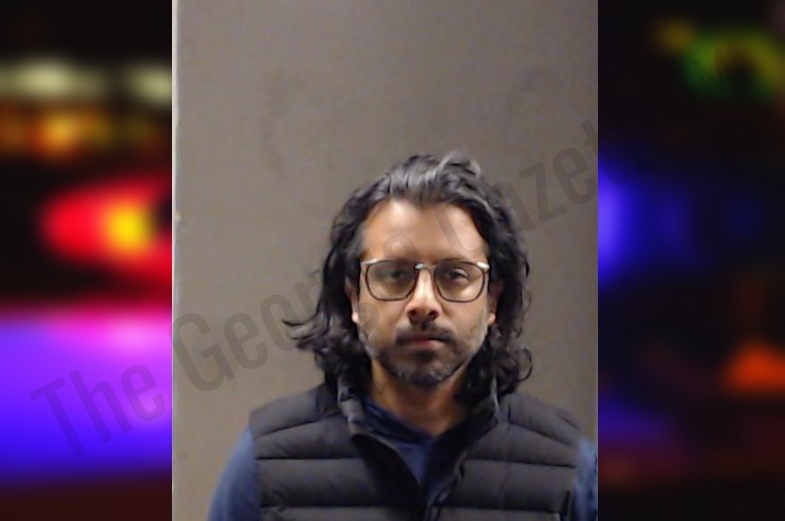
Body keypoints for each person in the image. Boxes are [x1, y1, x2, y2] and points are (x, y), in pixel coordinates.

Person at [208, 153, 597, 520]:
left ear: (492, 298)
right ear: (354, 297)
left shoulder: (566, 472)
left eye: (455, 275)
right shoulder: (269, 465)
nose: (423, 302)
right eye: (394, 274)